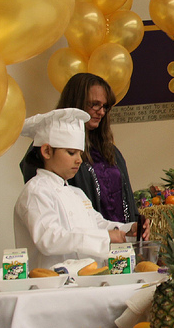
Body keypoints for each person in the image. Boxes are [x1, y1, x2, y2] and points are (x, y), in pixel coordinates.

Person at [14, 109, 150, 270]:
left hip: (86, 279)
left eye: (80, 153)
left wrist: (128, 230)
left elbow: (98, 224)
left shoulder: (76, 193)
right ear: (47, 151)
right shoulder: (35, 191)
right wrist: (106, 237)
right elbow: (49, 239)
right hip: (51, 286)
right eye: (71, 153)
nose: (79, 160)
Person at [20, 73, 138, 224]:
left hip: (117, 242)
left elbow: (123, 202)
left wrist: (134, 226)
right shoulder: (49, 148)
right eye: (95, 104)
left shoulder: (110, 151)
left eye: (105, 106)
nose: (101, 112)